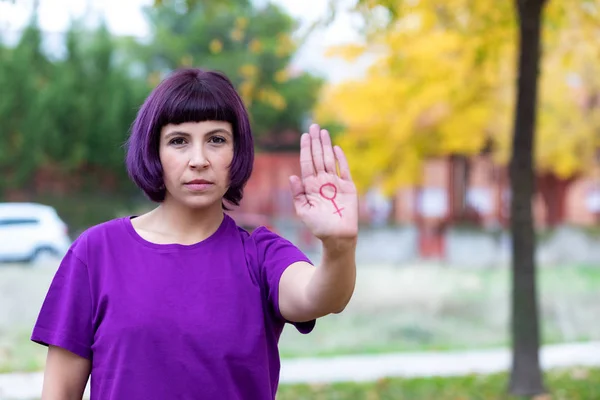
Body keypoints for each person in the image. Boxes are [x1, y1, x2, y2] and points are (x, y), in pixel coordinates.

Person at [30, 68, 358, 400]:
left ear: (236, 152)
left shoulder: (260, 255)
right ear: (154, 151)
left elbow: (321, 296)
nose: (198, 160)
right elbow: (59, 393)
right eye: (178, 141)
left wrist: (339, 246)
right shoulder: (97, 252)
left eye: (216, 140)